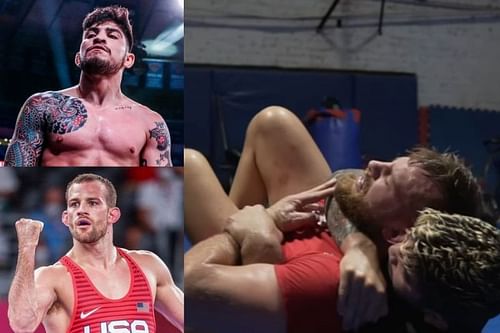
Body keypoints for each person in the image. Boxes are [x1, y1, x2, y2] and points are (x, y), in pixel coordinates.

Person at [184, 105, 484, 332]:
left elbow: (187, 286)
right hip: (318, 251)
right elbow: (345, 179)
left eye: (387, 179)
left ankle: (237, 292)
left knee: (189, 168)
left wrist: (254, 230)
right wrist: (358, 245)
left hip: (280, 275)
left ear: (396, 233)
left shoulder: (332, 286)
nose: (373, 164)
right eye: (389, 164)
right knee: (274, 124)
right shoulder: (398, 247)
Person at [8, 173, 184, 333]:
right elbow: (21, 325)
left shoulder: (148, 266)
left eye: (92, 203)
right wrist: (27, 248)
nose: (81, 210)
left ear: (112, 215)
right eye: (74, 204)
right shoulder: (53, 277)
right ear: (66, 217)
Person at [4, 6, 172, 167]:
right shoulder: (42, 106)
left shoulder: (150, 123)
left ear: (128, 59)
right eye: (91, 35)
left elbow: (161, 188)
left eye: (112, 35)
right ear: (78, 58)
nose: (98, 38)